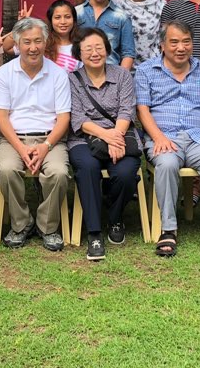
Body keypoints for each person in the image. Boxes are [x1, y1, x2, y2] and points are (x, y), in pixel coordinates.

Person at [136, 21, 200, 258]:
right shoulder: (146, 70)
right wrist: (158, 137)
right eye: (174, 42)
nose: (181, 47)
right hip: (163, 135)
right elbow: (142, 109)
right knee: (167, 164)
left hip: (198, 136)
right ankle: (168, 230)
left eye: (186, 42)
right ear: (162, 45)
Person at [0, 17, 71, 251]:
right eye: (26, 42)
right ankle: (21, 224)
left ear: (46, 42)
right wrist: (21, 148)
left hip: (50, 138)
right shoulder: (5, 73)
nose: (33, 47)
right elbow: (2, 117)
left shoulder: (58, 74)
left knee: (58, 173)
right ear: (17, 43)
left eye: (38, 41)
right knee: (6, 170)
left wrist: (45, 145)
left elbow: (64, 118)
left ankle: (47, 226)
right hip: (12, 138)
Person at [68, 28, 140, 261]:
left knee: (127, 172)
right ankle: (95, 232)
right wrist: (107, 137)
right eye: (88, 49)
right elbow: (78, 118)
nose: (95, 53)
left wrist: (116, 136)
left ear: (107, 49)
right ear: (79, 53)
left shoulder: (122, 75)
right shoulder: (71, 79)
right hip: (84, 138)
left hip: (121, 135)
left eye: (99, 47)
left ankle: (116, 217)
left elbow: (126, 110)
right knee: (87, 168)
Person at [1, 0, 81, 72]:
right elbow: (8, 48)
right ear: (51, 20)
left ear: (74, 20)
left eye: (67, 17)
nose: (63, 22)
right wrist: (22, 26)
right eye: (57, 17)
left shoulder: (81, 45)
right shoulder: (40, 41)